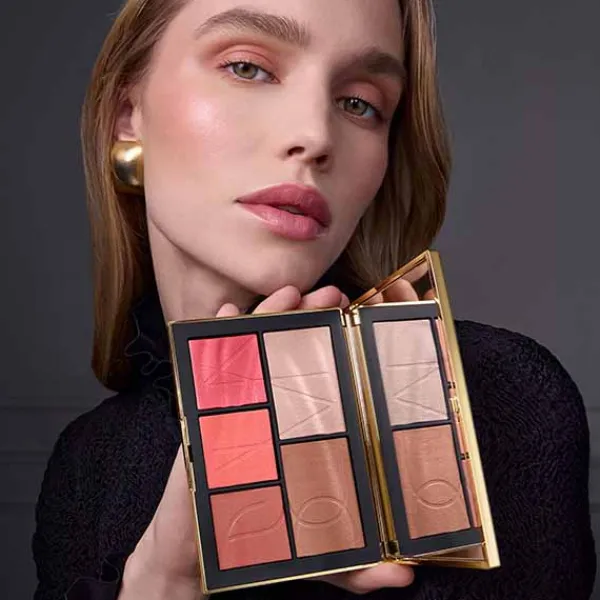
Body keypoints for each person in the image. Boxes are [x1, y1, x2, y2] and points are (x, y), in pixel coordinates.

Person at [32, 0, 596, 598]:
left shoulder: (491, 397)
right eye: (248, 68)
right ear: (128, 114)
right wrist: (164, 581)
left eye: (359, 103)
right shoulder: (88, 462)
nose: (316, 136)